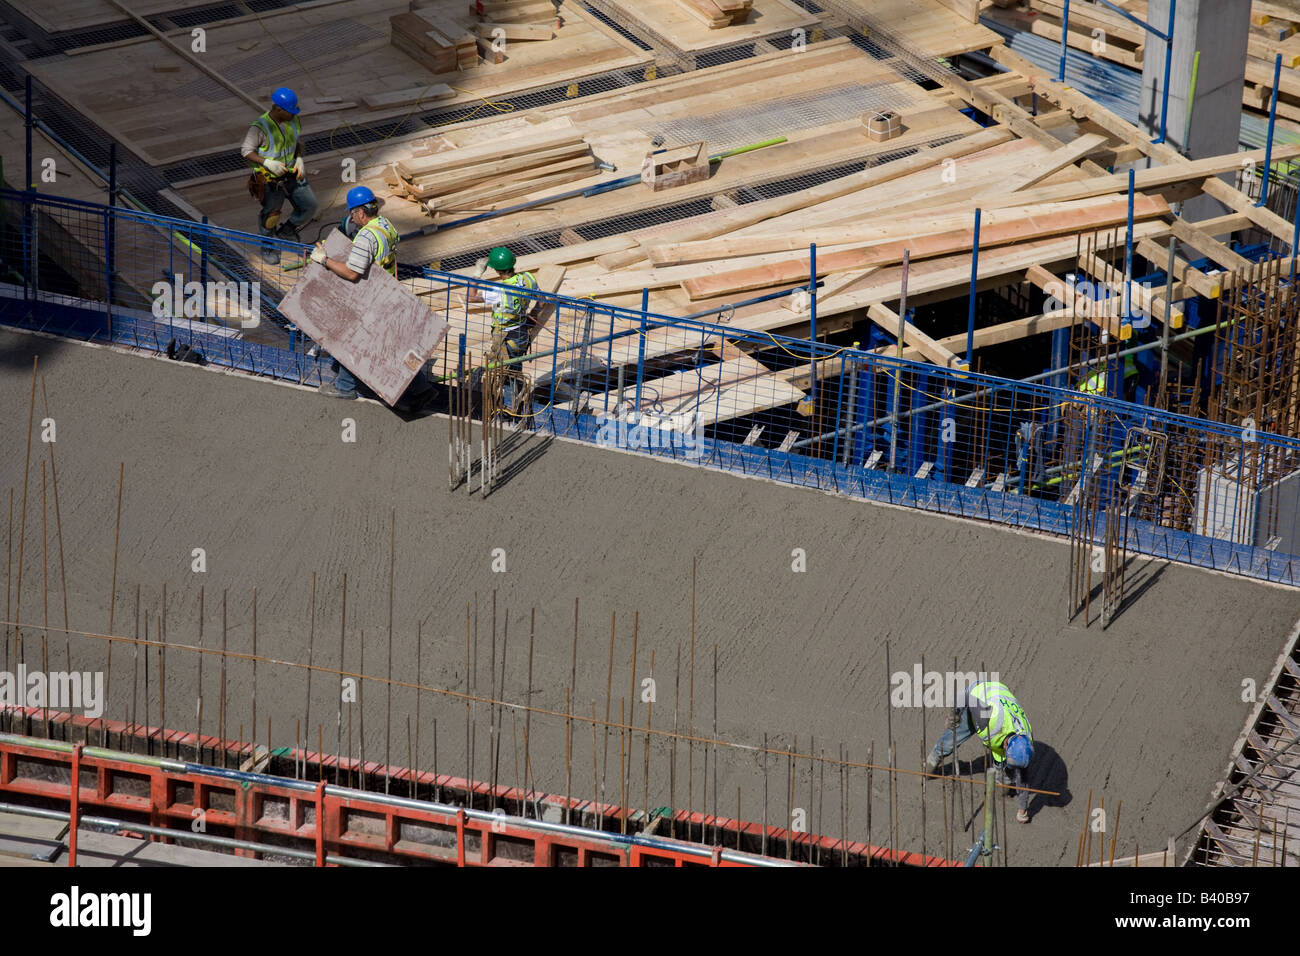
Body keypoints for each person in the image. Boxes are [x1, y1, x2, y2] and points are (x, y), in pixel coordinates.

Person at [309, 186, 399, 399]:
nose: (351, 218)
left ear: (360, 212)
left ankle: (345, 387)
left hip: (369, 296)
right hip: (387, 292)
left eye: (352, 213)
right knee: (390, 344)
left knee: (348, 337)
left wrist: (323, 259)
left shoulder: (365, 236)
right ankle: (419, 391)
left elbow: (351, 273)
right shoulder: (386, 225)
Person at [924, 679, 1035, 824]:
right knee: (951, 740)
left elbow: (1023, 776)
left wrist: (1022, 811)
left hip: (1001, 707)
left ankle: (1002, 785)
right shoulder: (989, 719)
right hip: (982, 695)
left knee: (1004, 785)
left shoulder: (1025, 743)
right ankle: (929, 765)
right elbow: (965, 694)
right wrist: (954, 713)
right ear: (1007, 747)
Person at [242, 87, 318, 265]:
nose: (293, 115)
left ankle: (288, 230)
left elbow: (296, 143)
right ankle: (267, 246)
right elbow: (246, 151)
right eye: (290, 111)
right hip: (270, 180)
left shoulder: (293, 121)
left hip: (292, 174)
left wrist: (299, 158)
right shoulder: (259, 127)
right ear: (278, 109)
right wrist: (267, 163)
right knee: (270, 217)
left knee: (309, 206)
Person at [469, 246, 539, 410]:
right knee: (515, 369)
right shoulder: (528, 278)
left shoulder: (499, 290)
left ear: (496, 270)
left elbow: (471, 297)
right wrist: (533, 316)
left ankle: (504, 407)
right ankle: (518, 402)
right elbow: (542, 299)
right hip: (522, 334)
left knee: (500, 373)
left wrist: (478, 273)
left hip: (505, 339)